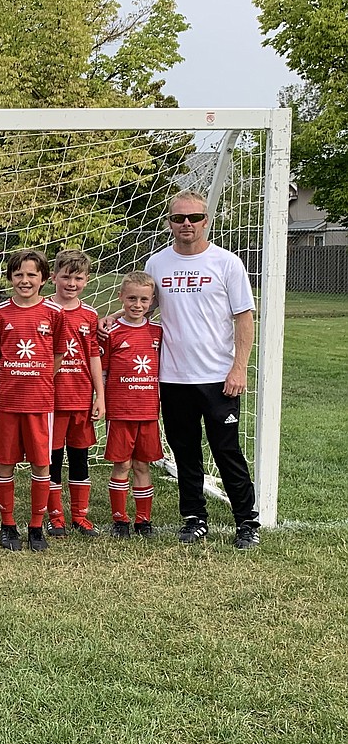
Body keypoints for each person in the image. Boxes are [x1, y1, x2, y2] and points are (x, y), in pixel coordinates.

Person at [144, 189, 260, 549]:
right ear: (169, 223)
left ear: (206, 220)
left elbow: (245, 318)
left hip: (218, 379)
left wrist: (239, 368)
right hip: (174, 377)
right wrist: (113, 318)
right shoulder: (157, 264)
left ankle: (247, 521)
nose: (187, 224)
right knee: (185, 452)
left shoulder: (227, 263)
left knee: (226, 450)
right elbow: (143, 309)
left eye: (194, 217)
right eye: (179, 218)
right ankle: (194, 518)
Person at [0, 249, 64, 552]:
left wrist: (40, 376)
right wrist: (11, 379)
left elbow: (57, 354)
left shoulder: (54, 314)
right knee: (5, 463)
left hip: (40, 402)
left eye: (32, 274)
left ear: (44, 279)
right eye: (18, 274)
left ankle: (35, 526)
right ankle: (8, 525)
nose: (25, 280)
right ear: (10, 278)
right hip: (8, 402)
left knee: (41, 465)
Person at [46, 249, 105, 537]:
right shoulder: (44, 309)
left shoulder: (89, 314)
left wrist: (100, 396)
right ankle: (54, 515)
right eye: (66, 276)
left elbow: (94, 355)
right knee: (53, 458)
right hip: (50, 400)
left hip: (81, 398)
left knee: (80, 458)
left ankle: (80, 516)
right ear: (53, 277)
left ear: (87, 280)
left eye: (78, 278)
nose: (71, 283)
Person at [101, 272, 162, 539]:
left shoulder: (158, 332)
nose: (137, 304)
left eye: (144, 300)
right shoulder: (110, 332)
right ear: (121, 298)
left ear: (152, 301)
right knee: (122, 465)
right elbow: (102, 373)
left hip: (148, 411)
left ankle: (143, 520)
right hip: (120, 410)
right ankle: (120, 520)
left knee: (142, 466)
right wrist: (100, 401)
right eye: (132, 298)